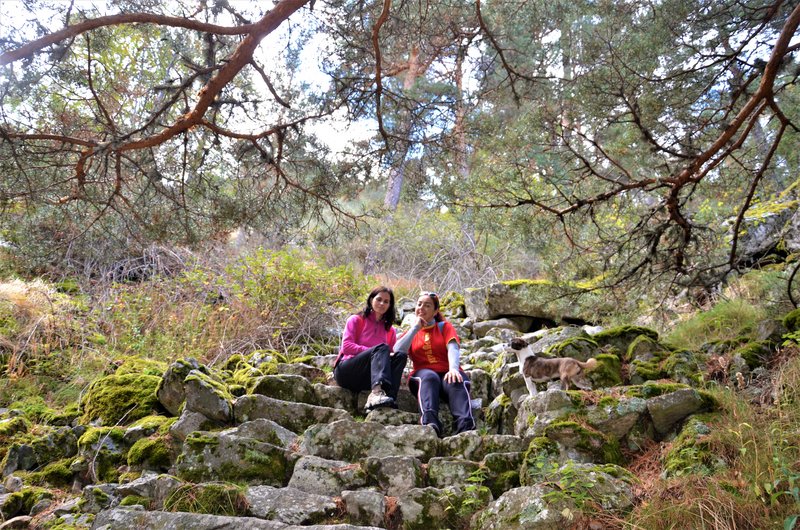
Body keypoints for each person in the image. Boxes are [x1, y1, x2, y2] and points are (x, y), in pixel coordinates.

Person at [393, 291, 475, 436]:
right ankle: (430, 423)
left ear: (436, 311)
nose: (421, 308)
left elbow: (453, 348)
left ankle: (465, 426)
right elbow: (398, 350)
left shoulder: (444, 327)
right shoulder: (412, 331)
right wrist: (415, 328)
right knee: (429, 377)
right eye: (419, 304)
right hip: (423, 375)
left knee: (456, 379)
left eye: (427, 305)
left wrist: (454, 369)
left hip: (446, 372)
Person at [334, 286, 407, 411]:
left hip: (368, 377)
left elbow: (390, 355)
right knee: (381, 348)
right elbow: (346, 347)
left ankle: (389, 398)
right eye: (379, 299)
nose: (382, 303)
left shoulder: (390, 330)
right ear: (371, 300)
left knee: (400, 356)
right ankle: (376, 393)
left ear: (390, 305)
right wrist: (374, 351)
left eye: (386, 301)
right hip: (347, 371)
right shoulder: (356, 320)